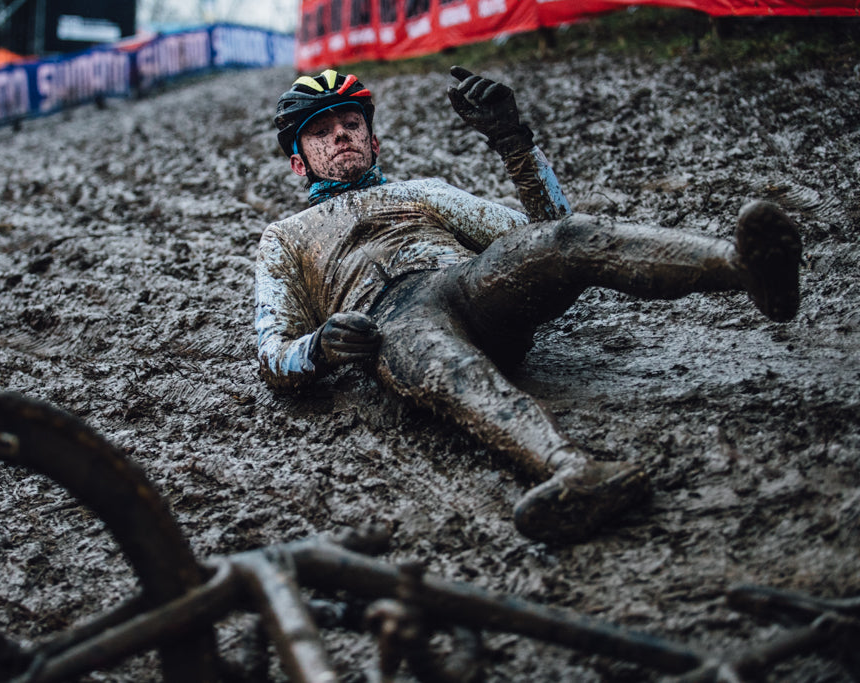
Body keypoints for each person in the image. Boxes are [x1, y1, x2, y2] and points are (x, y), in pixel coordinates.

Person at [254, 67, 801, 543]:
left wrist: (515, 142)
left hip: (466, 281)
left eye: (351, 124)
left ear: (374, 142)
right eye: (322, 132)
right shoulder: (286, 236)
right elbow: (272, 354)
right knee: (442, 361)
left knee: (574, 238)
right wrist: (319, 347)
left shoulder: (423, 191)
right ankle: (573, 471)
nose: (341, 136)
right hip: (393, 319)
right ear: (300, 162)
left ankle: (749, 270)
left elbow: (549, 230)